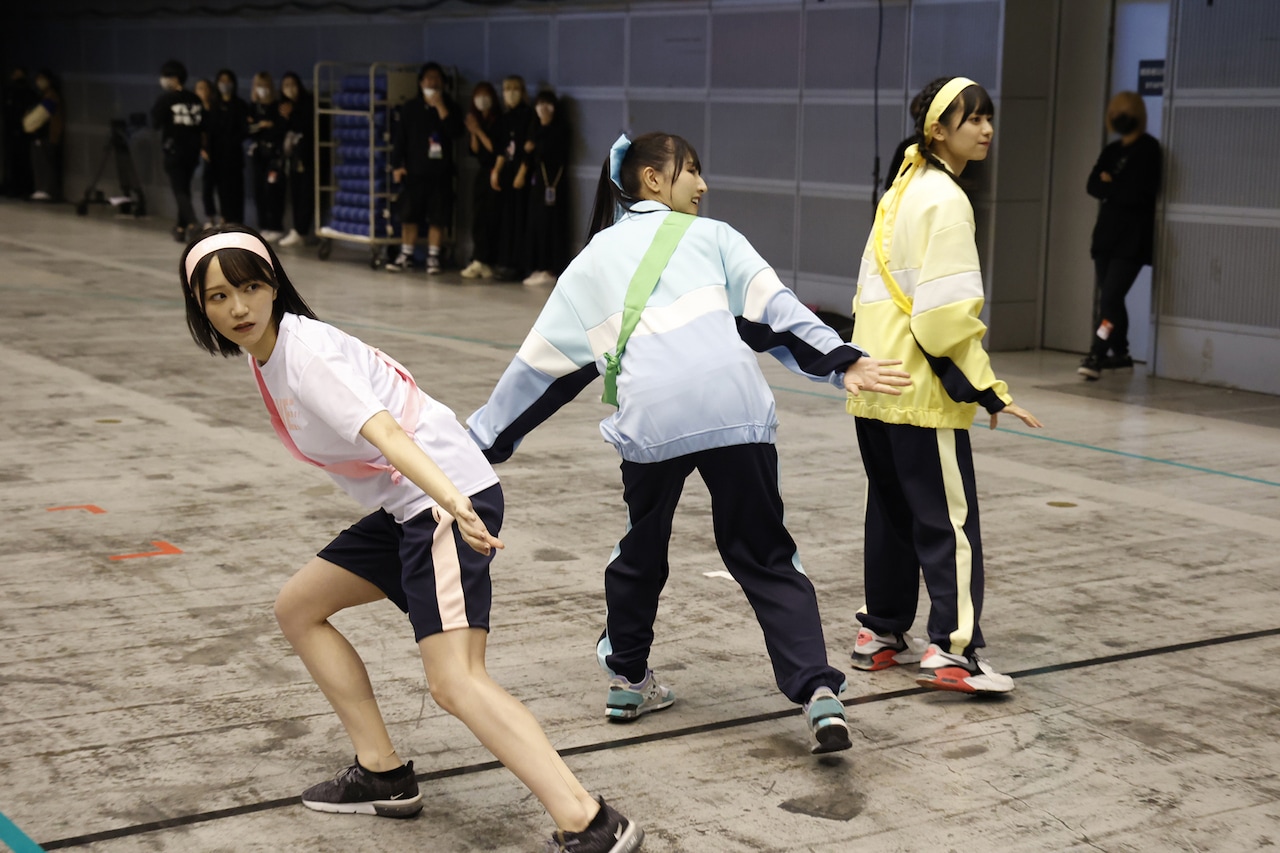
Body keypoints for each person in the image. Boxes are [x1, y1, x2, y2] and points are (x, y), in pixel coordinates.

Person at [177, 225, 644, 853]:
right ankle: (381, 774)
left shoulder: (304, 354)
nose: (237, 308)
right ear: (199, 307)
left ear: (274, 286)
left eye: (250, 287)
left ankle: (589, 821)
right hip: (410, 509)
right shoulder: (272, 352)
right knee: (299, 607)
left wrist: (453, 501)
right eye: (217, 297)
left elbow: (387, 434)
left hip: (441, 503)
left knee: (456, 682)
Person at [467, 132, 910, 755]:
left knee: (640, 548)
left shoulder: (593, 260)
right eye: (691, 170)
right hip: (735, 411)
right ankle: (818, 693)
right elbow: (776, 314)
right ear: (652, 179)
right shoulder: (715, 237)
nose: (702, 185)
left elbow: (542, 370)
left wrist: (477, 444)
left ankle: (626, 677)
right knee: (764, 552)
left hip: (652, 421)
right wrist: (843, 361)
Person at [844, 76, 1042, 695]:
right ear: (938, 129)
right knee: (947, 522)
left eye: (989, 118)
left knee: (891, 512)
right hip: (920, 391)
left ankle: (881, 633)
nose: (985, 129)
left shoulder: (900, 190)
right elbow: (943, 315)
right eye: (972, 119)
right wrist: (987, 387)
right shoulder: (947, 200)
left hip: (873, 382)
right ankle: (953, 651)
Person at [1077, 91, 1161, 380]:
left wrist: (1112, 185)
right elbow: (1092, 185)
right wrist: (1115, 187)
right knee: (1111, 298)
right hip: (1106, 237)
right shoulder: (1112, 151)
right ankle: (1121, 353)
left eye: (1124, 113)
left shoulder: (1149, 150)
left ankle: (1097, 352)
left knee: (1110, 297)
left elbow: (1138, 193)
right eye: (1115, 113)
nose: (1118, 119)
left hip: (1132, 240)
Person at [387, 62, 462, 273]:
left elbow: (455, 133)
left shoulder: (451, 107)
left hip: (441, 174)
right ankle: (406, 253)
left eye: (437, 78)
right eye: (428, 78)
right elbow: (400, 139)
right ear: (420, 82)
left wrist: (440, 107)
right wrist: (397, 165)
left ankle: (434, 257)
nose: (432, 82)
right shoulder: (411, 108)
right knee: (409, 215)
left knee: (438, 217)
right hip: (414, 172)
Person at [518, 90, 570, 287]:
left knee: (551, 225)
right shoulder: (534, 129)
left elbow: (550, 151)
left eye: (548, 105)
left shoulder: (559, 130)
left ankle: (550, 267)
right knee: (536, 224)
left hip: (554, 183)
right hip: (539, 184)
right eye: (540, 105)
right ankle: (537, 265)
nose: (543, 110)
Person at [151, 60, 203, 241]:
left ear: (174, 78)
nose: (163, 81)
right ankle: (180, 227)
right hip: (193, 151)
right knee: (185, 187)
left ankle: (193, 222)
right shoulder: (195, 99)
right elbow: (202, 125)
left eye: (166, 76)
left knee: (179, 189)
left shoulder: (167, 99)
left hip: (175, 150)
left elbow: (155, 122)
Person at [488, 75, 533, 280]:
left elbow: (528, 149)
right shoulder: (503, 119)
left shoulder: (528, 115)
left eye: (515, 89)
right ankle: (504, 261)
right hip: (507, 172)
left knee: (519, 218)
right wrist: (496, 171)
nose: (511, 93)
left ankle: (519, 264)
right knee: (506, 218)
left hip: (521, 173)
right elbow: (501, 148)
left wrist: (522, 173)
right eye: (507, 89)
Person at [460, 80, 500, 280]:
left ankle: (487, 259)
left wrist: (479, 131)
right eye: (479, 96)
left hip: (496, 171)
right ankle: (478, 258)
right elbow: (475, 150)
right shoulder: (477, 121)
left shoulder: (497, 121)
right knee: (478, 215)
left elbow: (494, 148)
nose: (482, 100)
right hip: (482, 172)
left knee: (490, 217)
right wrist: (474, 131)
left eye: (486, 95)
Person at [277, 71, 315, 248]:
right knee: (294, 194)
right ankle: (296, 228)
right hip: (292, 158)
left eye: (292, 84)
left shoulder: (307, 104)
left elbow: (306, 127)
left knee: (306, 195)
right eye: (286, 85)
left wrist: (292, 115)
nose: (289, 89)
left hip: (307, 158)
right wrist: (285, 118)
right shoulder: (283, 106)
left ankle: (301, 230)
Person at [207, 69, 249, 225]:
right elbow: (210, 130)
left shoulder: (239, 105)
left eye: (228, 81)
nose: (225, 84)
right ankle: (224, 217)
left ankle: (237, 220)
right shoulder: (214, 105)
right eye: (222, 81)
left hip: (234, 155)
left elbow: (244, 129)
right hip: (217, 155)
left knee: (236, 189)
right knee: (221, 189)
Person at [248, 71, 286, 241]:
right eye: (259, 86)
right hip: (258, 154)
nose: (262, 89)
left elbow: (281, 128)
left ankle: (275, 225)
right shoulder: (254, 107)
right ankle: (263, 225)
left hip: (274, 155)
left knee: (273, 190)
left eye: (265, 86)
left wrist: (270, 125)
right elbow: (248, 129)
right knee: (259, 191)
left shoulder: (277, 107)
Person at [26, 69, 63, 202]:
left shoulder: (51, 96)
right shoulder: (43, 95)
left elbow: (41, 115)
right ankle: (41, 188)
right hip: (42, 135)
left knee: (45, 162)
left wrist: (28, 122)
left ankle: (46, 190)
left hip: (48, 135)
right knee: (40, 162)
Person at [2, 67, 37, 199]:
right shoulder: (10, 91)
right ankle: (15, 186)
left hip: (23, 132)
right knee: (14, 161)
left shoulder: (25, 92)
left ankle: (23, 188)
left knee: (23, 161)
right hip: (13, 131)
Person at [193, 78, 220, 228]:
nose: (202, 92)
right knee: (207, 187)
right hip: (204, 153)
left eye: (205, 88)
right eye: (199, 88)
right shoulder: (196, 111)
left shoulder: (216, 109)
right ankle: (210, 217)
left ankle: (225, 218)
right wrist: (201, 149)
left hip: (219, 151)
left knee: (223, 187)